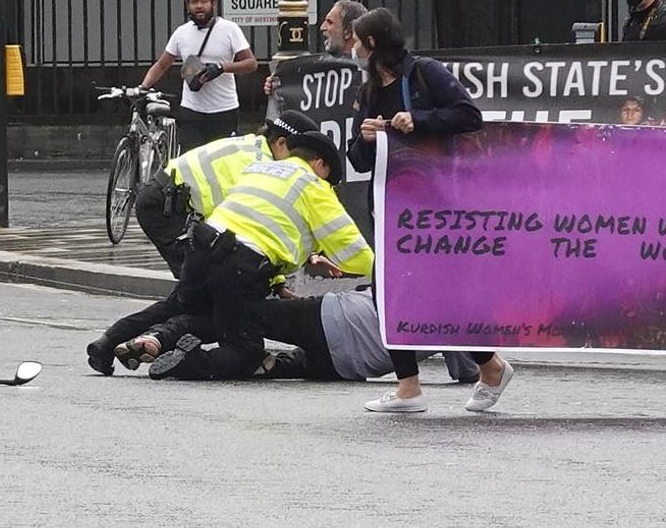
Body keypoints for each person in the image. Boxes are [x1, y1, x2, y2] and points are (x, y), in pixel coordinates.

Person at [345, 7, 508, 414]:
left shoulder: (424, 73)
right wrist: (365, 139)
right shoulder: (367, 93)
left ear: (372, 44)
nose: (351, 48)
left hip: (436, 204)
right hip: (389, 208)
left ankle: (491, 365)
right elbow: (360, 161)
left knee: (443, 294)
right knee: (390, 295)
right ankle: (408, 387)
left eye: (356, 41)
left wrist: (417, 120)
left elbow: (469, 116)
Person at [145, 130, 375, 381]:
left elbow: (264, 221)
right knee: (244, 351)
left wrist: (311, 257)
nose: (329, 186)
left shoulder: (260, 169)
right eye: (329, 179)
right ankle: (190, 363)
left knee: (193, 310)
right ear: (320, 164)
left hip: (201, 249)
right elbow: (352, 247)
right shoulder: (313, 185)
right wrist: (389, 276)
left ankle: (130, 340)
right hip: (241, 266)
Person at [119, 287, 501, 389]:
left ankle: (158, 339)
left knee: (241, 317)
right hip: (352, 366)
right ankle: (194, 365)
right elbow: (466, 373)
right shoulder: (460, 318)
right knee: (276, 366)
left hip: (333, 316)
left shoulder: (419, 276)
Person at [132, 109, 318, 279]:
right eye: (300, 157)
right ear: (281, 143)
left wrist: (277, 282)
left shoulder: (254, 146)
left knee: (203, 283)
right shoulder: (259, 167)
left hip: (168, 202)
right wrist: (276, 281)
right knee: (205, 283)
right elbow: (251, 233)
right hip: (165, 207)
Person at [140, 0, 257, 152]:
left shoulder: (229, 29)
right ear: (188, 6)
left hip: (224, 110)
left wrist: (222, 68)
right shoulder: (181, 33)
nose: (199, 6)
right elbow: (162, 65)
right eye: (194, 2)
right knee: (190, 164)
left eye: (204, 1)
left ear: (214, 4)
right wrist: (143, 87)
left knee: (221, 165)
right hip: (191, 110)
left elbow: (251, 63)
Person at [263, 0, 368, 115]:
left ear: (348, 31)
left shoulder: (372, 70)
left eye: (329, 22)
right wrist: (279, 86)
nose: (323, 27)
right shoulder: (320, 71)